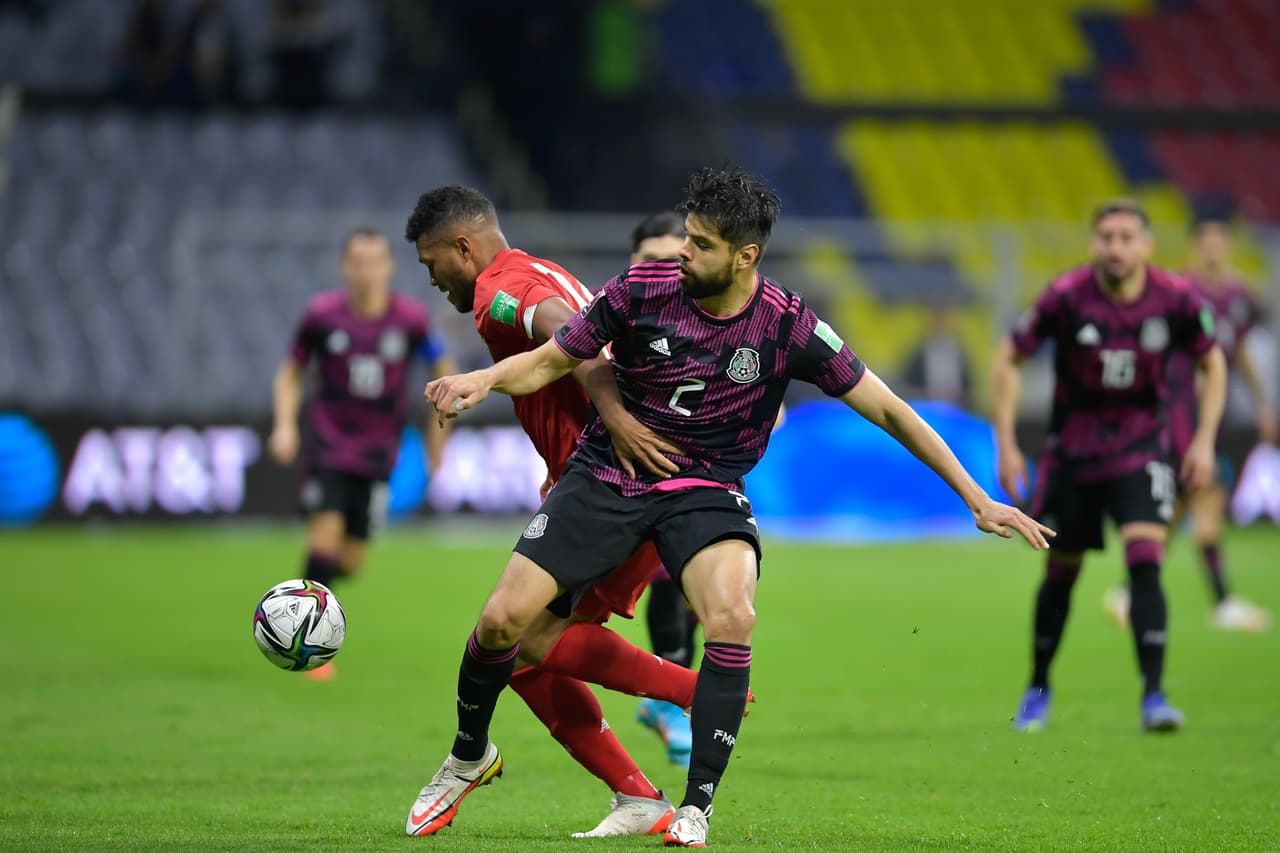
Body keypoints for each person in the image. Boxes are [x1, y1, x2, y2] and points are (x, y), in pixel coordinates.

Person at [416, 166, 1052, 847]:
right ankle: (473, 754)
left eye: (700, 245)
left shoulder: (788, 324)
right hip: (606, 474)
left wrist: (976, 498)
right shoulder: (641, 288)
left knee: (732, 615)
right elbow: (551, 359)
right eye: (685, 238)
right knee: (504, 623)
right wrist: (484, 378)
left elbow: (891, 409)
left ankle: (695, 808)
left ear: (745, 255)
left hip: (705, 487)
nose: (683, 254)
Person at [403, 186, 714, 839]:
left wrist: (613, 422)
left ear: (463, 246)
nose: (433, 280)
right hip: (605, 475)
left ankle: (699, 692)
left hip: (612, 483)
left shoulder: (497, 292)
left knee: (518, 636)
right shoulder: (534, 268)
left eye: (432, 263)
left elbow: (574, 339)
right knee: (517, 655)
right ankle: (638, 795)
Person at [993, 199, 1227, 734]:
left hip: (1142, 449)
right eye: (1106, 237)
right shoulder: (1066, 296)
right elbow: (1009, 356)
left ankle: (1154, 696)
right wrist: (1005, 443)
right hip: (1073, 454)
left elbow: (1212, 362)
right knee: (1062, 571)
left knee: (1146, 559)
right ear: (1093, 244)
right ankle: (1038, 687)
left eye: (1126, 238)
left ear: (1147, 245)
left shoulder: (1175, 298)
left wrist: (1204, 440)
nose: (1116, 248)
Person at [268, 227, 453, 680]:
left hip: (378, 456)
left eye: (374, 262)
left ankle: (306, 599)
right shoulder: (322, 316)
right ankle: (308, 643)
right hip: (328, 448)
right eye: (358, 262)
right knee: (324, 539)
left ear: (389, 267)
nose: (366, 271)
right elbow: (290, 373)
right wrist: (285, 425)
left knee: (349, 562)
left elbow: (443, 367)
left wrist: (438, 436)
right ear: (345, 267)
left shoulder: (410, 321)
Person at [1103, 218, 1274, 632]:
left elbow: (1238, 351)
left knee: (1178, 509)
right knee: (1207, 491)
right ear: (1197, 246)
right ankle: (1222, 602)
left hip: (1213, 410)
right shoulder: (1178, 291)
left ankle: (1128, 590)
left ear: (1228, 245)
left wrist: (1261, 403)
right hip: (1179, 410)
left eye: (1220, 241)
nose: (1213, 249)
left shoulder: (1239, 296)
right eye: (1206, 242)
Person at [627, 210, 698, 768]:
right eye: (649, 259)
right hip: (624, 479)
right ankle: (669, 697)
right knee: (669, 580)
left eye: (671, 261)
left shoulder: (708, 319)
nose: (659, 271)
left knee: (699, 592)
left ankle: (667, 697)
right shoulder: (613, 317)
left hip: (702, 474)